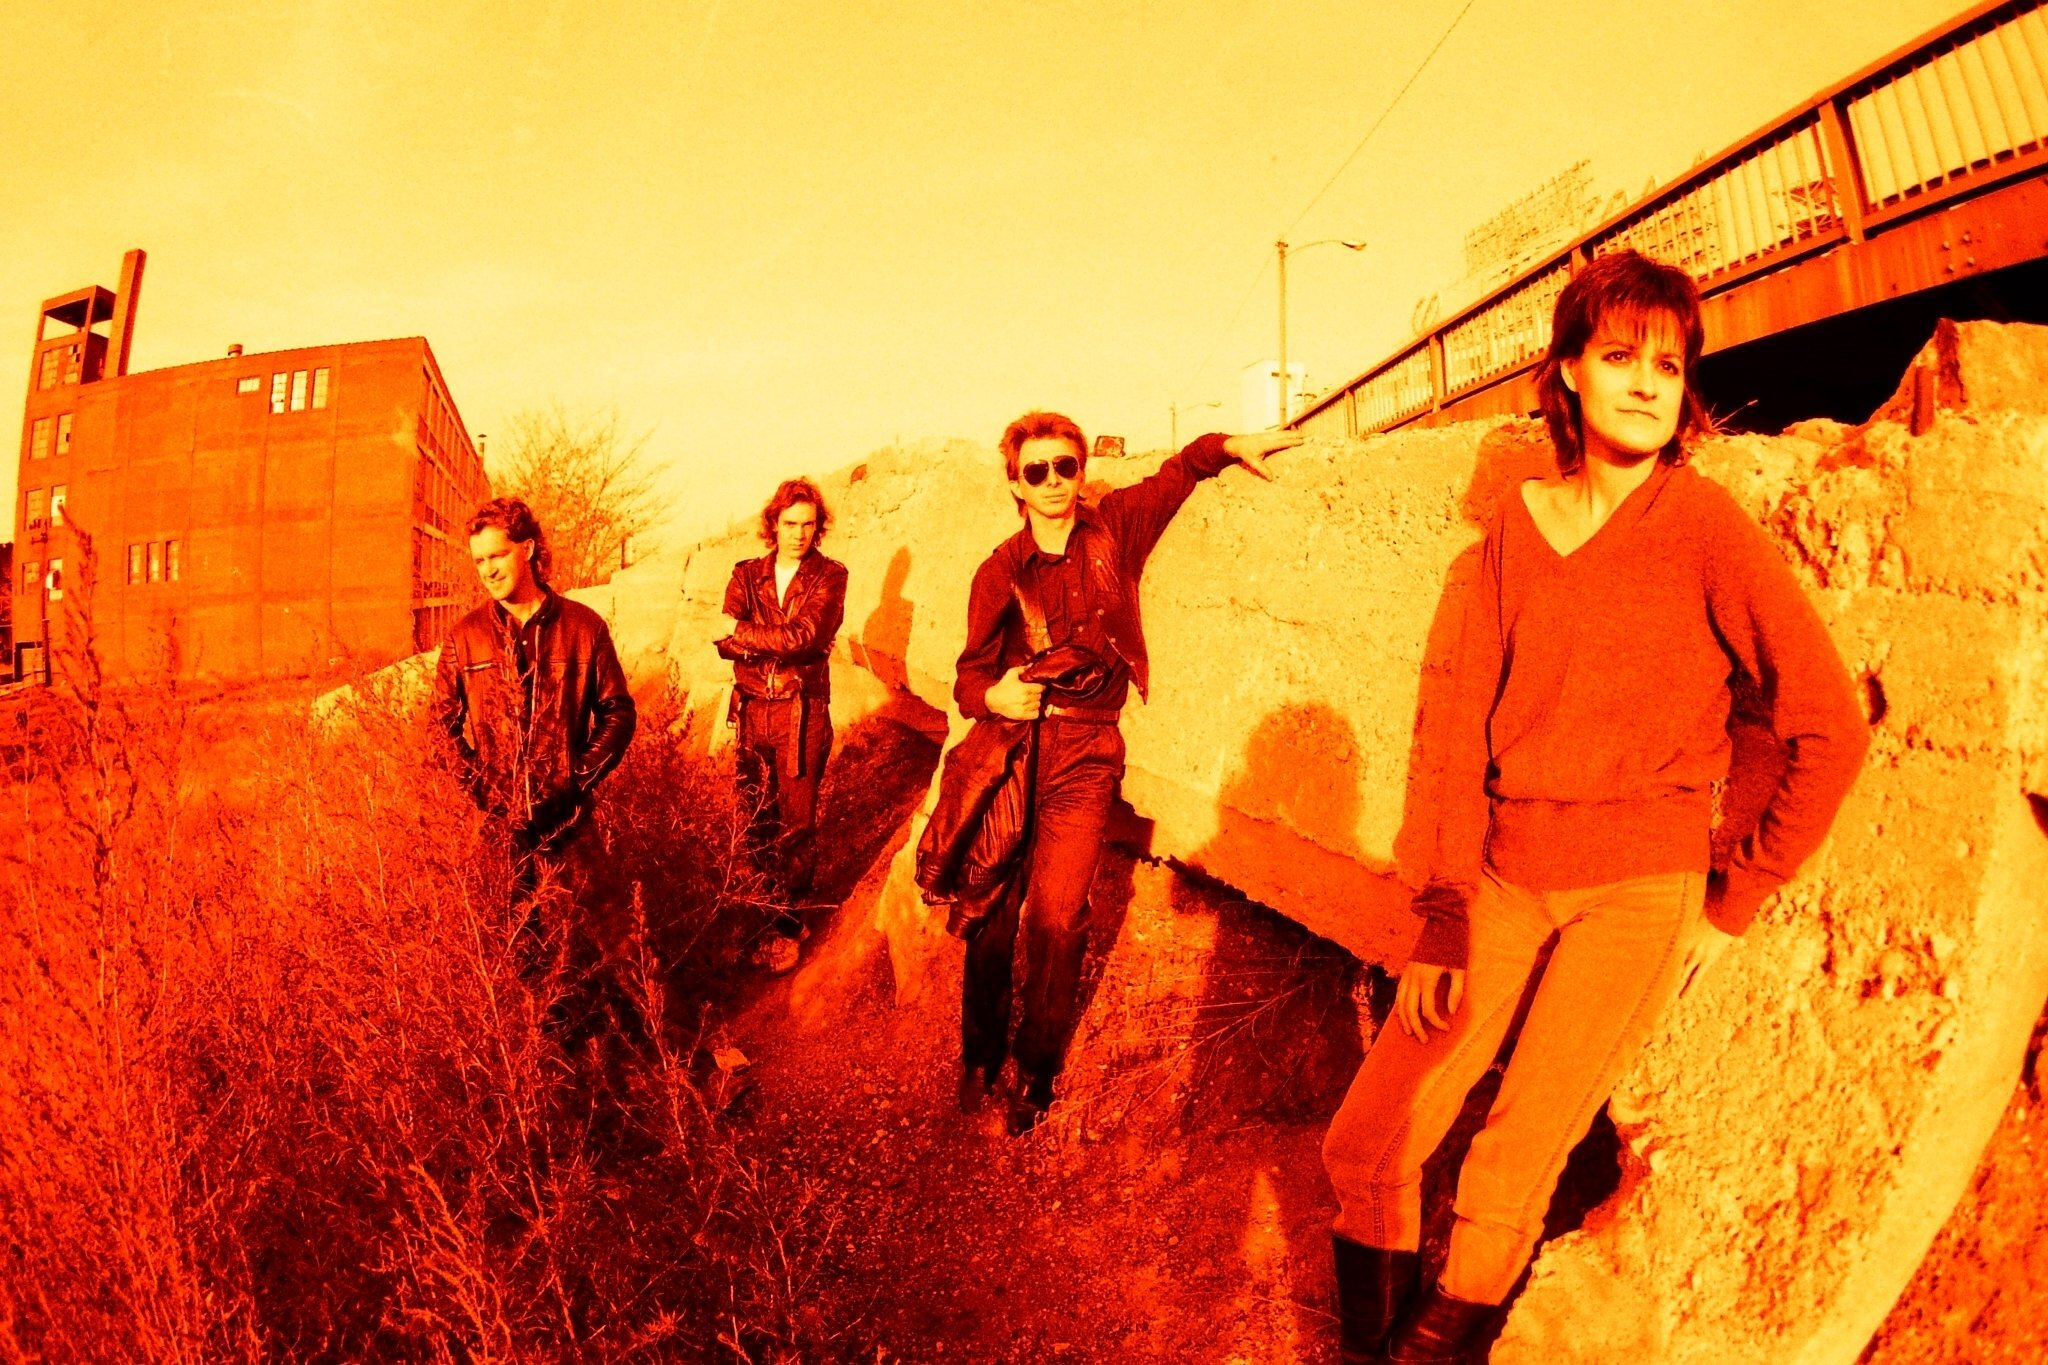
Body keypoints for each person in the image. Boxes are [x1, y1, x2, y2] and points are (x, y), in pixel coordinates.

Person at [1319, 251, 1871, 1363]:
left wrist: (1735, 897)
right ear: (1568, 370)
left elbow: (1828, 724)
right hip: (1499, 878)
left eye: (1668, 365)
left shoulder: (1703, 525)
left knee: (1508, 1162)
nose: (1646, 384)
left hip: (1638, 893)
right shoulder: (1504, 541)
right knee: (1366, 1142)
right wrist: (1440, 911)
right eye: (1620, 357)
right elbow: (1451, 737)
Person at [954, 412, 1301, 1133]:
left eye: (1066, 466)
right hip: (1013, 750)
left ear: (1081, 470)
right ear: (1015, 484)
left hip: (1086, 754)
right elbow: (968, 677)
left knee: (1057, 917)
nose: (1054, 482)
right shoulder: (998, 571)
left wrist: (1229, 447)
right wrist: (992, 696)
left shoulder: (1116, 529)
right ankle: (980, 1052)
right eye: (1037, 471)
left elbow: (1180, 472)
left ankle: (1036, 1066)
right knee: (992, 914)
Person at [432, 496, 639, 1040]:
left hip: (569, 819)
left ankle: (676, 1057)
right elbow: (439, 729)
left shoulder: (582, 627)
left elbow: (618, 713)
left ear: (527, 549)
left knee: (620, 940)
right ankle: (553, 1063)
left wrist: (575, 781)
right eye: (479, 561)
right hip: (503, 828)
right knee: (524, 956)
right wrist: (484, 792)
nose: (488, 570)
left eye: (497, 556)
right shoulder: (465, 636)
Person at [713, 478, 849, 972]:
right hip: (752, 709)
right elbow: (722, 644)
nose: (799, 534)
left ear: (819, 527)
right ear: (773, 524)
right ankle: (764, 913)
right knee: (755, 820)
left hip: (801, 711)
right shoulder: (746, 574)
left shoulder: (831, 575)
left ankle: (790, 925)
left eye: (808, 524)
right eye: (790, 523)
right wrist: (762, 639)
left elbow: (805, 637)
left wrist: (744, 633)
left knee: (796, 825)